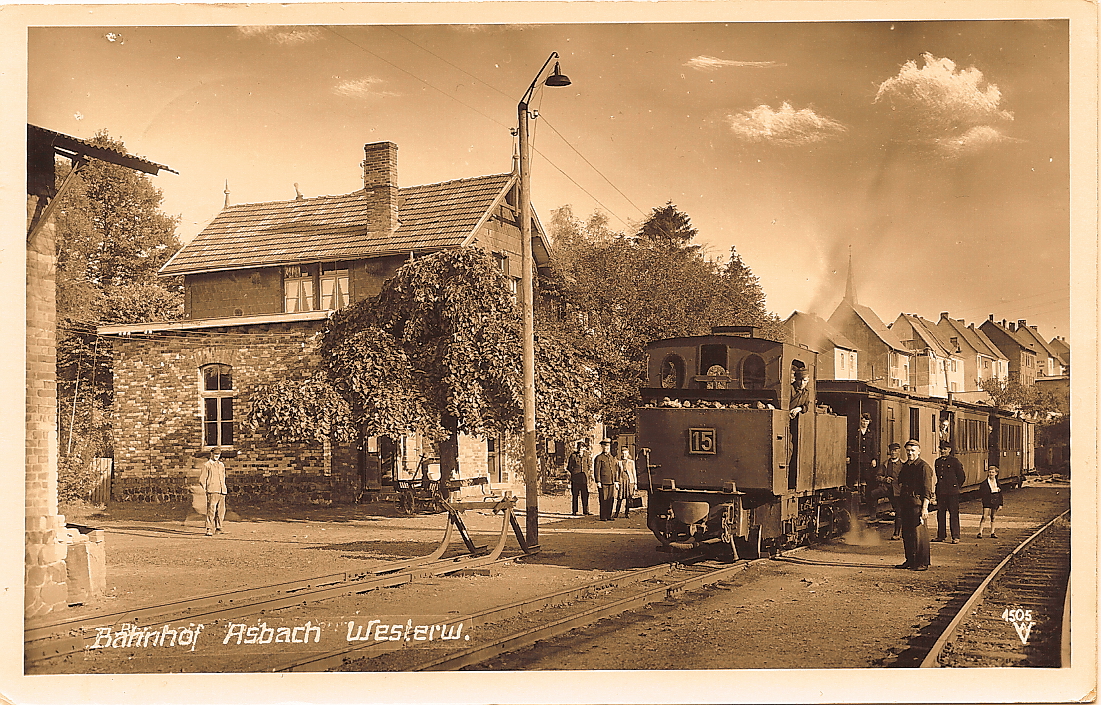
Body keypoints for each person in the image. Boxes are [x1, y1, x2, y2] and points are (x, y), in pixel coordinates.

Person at [897, 439, 934, 571]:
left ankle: (922, 562)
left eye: (913, 451)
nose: (910, 453)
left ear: (919, 451)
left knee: (919, 534)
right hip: (906, 503)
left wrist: (925, 508)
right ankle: (910, 560)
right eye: (908, 451)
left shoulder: (923, 467)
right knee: (907, 533)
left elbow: (927, 489)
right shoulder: (906, 466)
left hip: (917, 504)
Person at [932, 440, 966, 544]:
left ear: (949, 450)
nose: (943, 451)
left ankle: (955, 536)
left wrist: (955, 487)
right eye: (941, 449)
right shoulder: (938, 462)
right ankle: (941, 536)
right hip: (941, 492)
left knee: (953, 514)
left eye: (945, 449)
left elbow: (961, 476)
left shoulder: (955, 461)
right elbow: (939, 476)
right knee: (940, 514)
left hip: (952, 492)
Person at [867, 442, 904, 539]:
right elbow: (877, 477)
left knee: (899, 511)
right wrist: (885, 479)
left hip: (897, 491)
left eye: (895, 450)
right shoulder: (885, 464)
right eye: (892, 450)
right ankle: (872, 516)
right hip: (886, 489)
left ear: (899, 452)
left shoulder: (903, 465)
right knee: (872, 494)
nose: (893, 453)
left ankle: (897, 533)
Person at [199, 447, 228, 536]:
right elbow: (202, 479)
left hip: (222, 490)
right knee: (211, 510)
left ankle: (219, 527)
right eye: (215, 454)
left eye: (218, 454)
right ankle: (209, 528)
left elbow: (223, 477)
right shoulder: (207, 465)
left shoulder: (221, 465)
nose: (216, 456)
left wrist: (223, 487)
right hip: (212, 491)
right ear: (211, 454)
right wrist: (207, 488)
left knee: (221, 510)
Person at [593, 439, 618, 521]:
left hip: (611, 482)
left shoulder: (612, 458)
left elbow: (614, 470)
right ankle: (603, 516)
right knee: (603, 499)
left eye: (608, 446)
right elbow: (597, 470)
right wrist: (598, 481)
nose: (606, 448)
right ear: (602, 447)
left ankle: (609, 515)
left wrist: (616, 481)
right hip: (603, 482)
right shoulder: (599, 458)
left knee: (611, 499)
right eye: (605, 446)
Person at [976, 466, 1004, 538]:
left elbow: (1000, 494)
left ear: (996, 473)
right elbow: (981, 493)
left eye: (993, 472)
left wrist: (1001, 504)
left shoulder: (997, 483)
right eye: (990, 472)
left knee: (993, 516)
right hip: (987, 500)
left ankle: (992, 532)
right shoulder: (984, 483)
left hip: (995, 500)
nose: (991, 474)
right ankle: (980, 532)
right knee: (984, 516)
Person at [566, 441, 592, 516]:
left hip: (584, 479)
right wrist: (574, 473)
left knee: (585, 495)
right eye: (579, 448)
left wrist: (587, 475)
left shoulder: (586, 455)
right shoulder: (573, 456)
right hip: (575, 479)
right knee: (575, 495)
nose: (580, 449)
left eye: (582, 448)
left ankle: (586, 511)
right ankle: (575, 511)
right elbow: (569, 467)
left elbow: (588, 465)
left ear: (584, 448)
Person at [856, 413, 878, 503]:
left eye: (866, 421)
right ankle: (858, 496)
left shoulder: (871, 433)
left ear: (869, 422)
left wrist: (874, 458)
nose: (864, 423)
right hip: (857, 458)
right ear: (861, 421)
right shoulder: (856, 431)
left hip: (867, 459)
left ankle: (865, 496)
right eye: (863, 420)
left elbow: (874, 446)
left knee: (866, 477)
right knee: (857, 477)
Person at [612, 447, 638, 518]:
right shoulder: (619, 462)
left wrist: (635, 483)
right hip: (622, 481)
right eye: (623, 454)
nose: (624, 455)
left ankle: (627, 513)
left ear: (628, 453)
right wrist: (616, 482)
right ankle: (616, 513)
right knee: (620, 498)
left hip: (630, 481)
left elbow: (634, 472)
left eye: (626, 453)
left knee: (629, 498)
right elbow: (617, 472)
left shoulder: (631, 462)